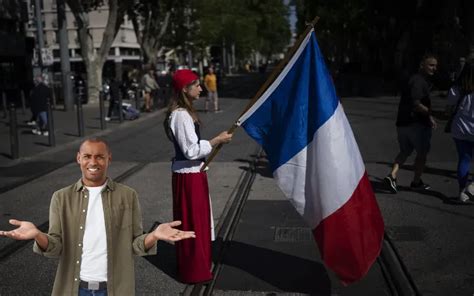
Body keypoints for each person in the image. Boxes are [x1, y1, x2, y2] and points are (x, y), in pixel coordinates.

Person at [0, 138, 195, 295]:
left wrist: (154, 235)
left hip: (115, 289)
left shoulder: (128, 195)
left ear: (109, 158)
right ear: (78, 158)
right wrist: (37, 235)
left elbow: (135, 245)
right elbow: (55, 247)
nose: (93, 162)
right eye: (87, 156)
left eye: (99, 157)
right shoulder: (61, 197)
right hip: (74, 289)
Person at [163, 69, 232, 284]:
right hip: (189, 177)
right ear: (185, 89)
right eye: (196, 85)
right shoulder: (180, 115)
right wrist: (216, 140)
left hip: (193, 174)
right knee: (193, 223)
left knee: (197, 222)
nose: (201, 88)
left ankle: (197, 265)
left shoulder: (185, 113)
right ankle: (194, 270)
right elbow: (190, 151)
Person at [384, 54, 438, 193]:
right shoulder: (419, 81)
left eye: (435, 65)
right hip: (416, 124)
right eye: (431, 65)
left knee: (405, 151)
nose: (434, 68)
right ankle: (415, 182)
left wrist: (429, 116)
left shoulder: (413, 79)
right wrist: (431, 113)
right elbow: (416, 103)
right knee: (422, 154)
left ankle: (393, 175)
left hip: (403, 123)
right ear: (422, 65)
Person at [446, 61, 474, 203]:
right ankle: (472, 189)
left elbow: (449, 109)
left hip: (460, 129)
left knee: (464, 159)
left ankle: (462, 192)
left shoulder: (456, 88)